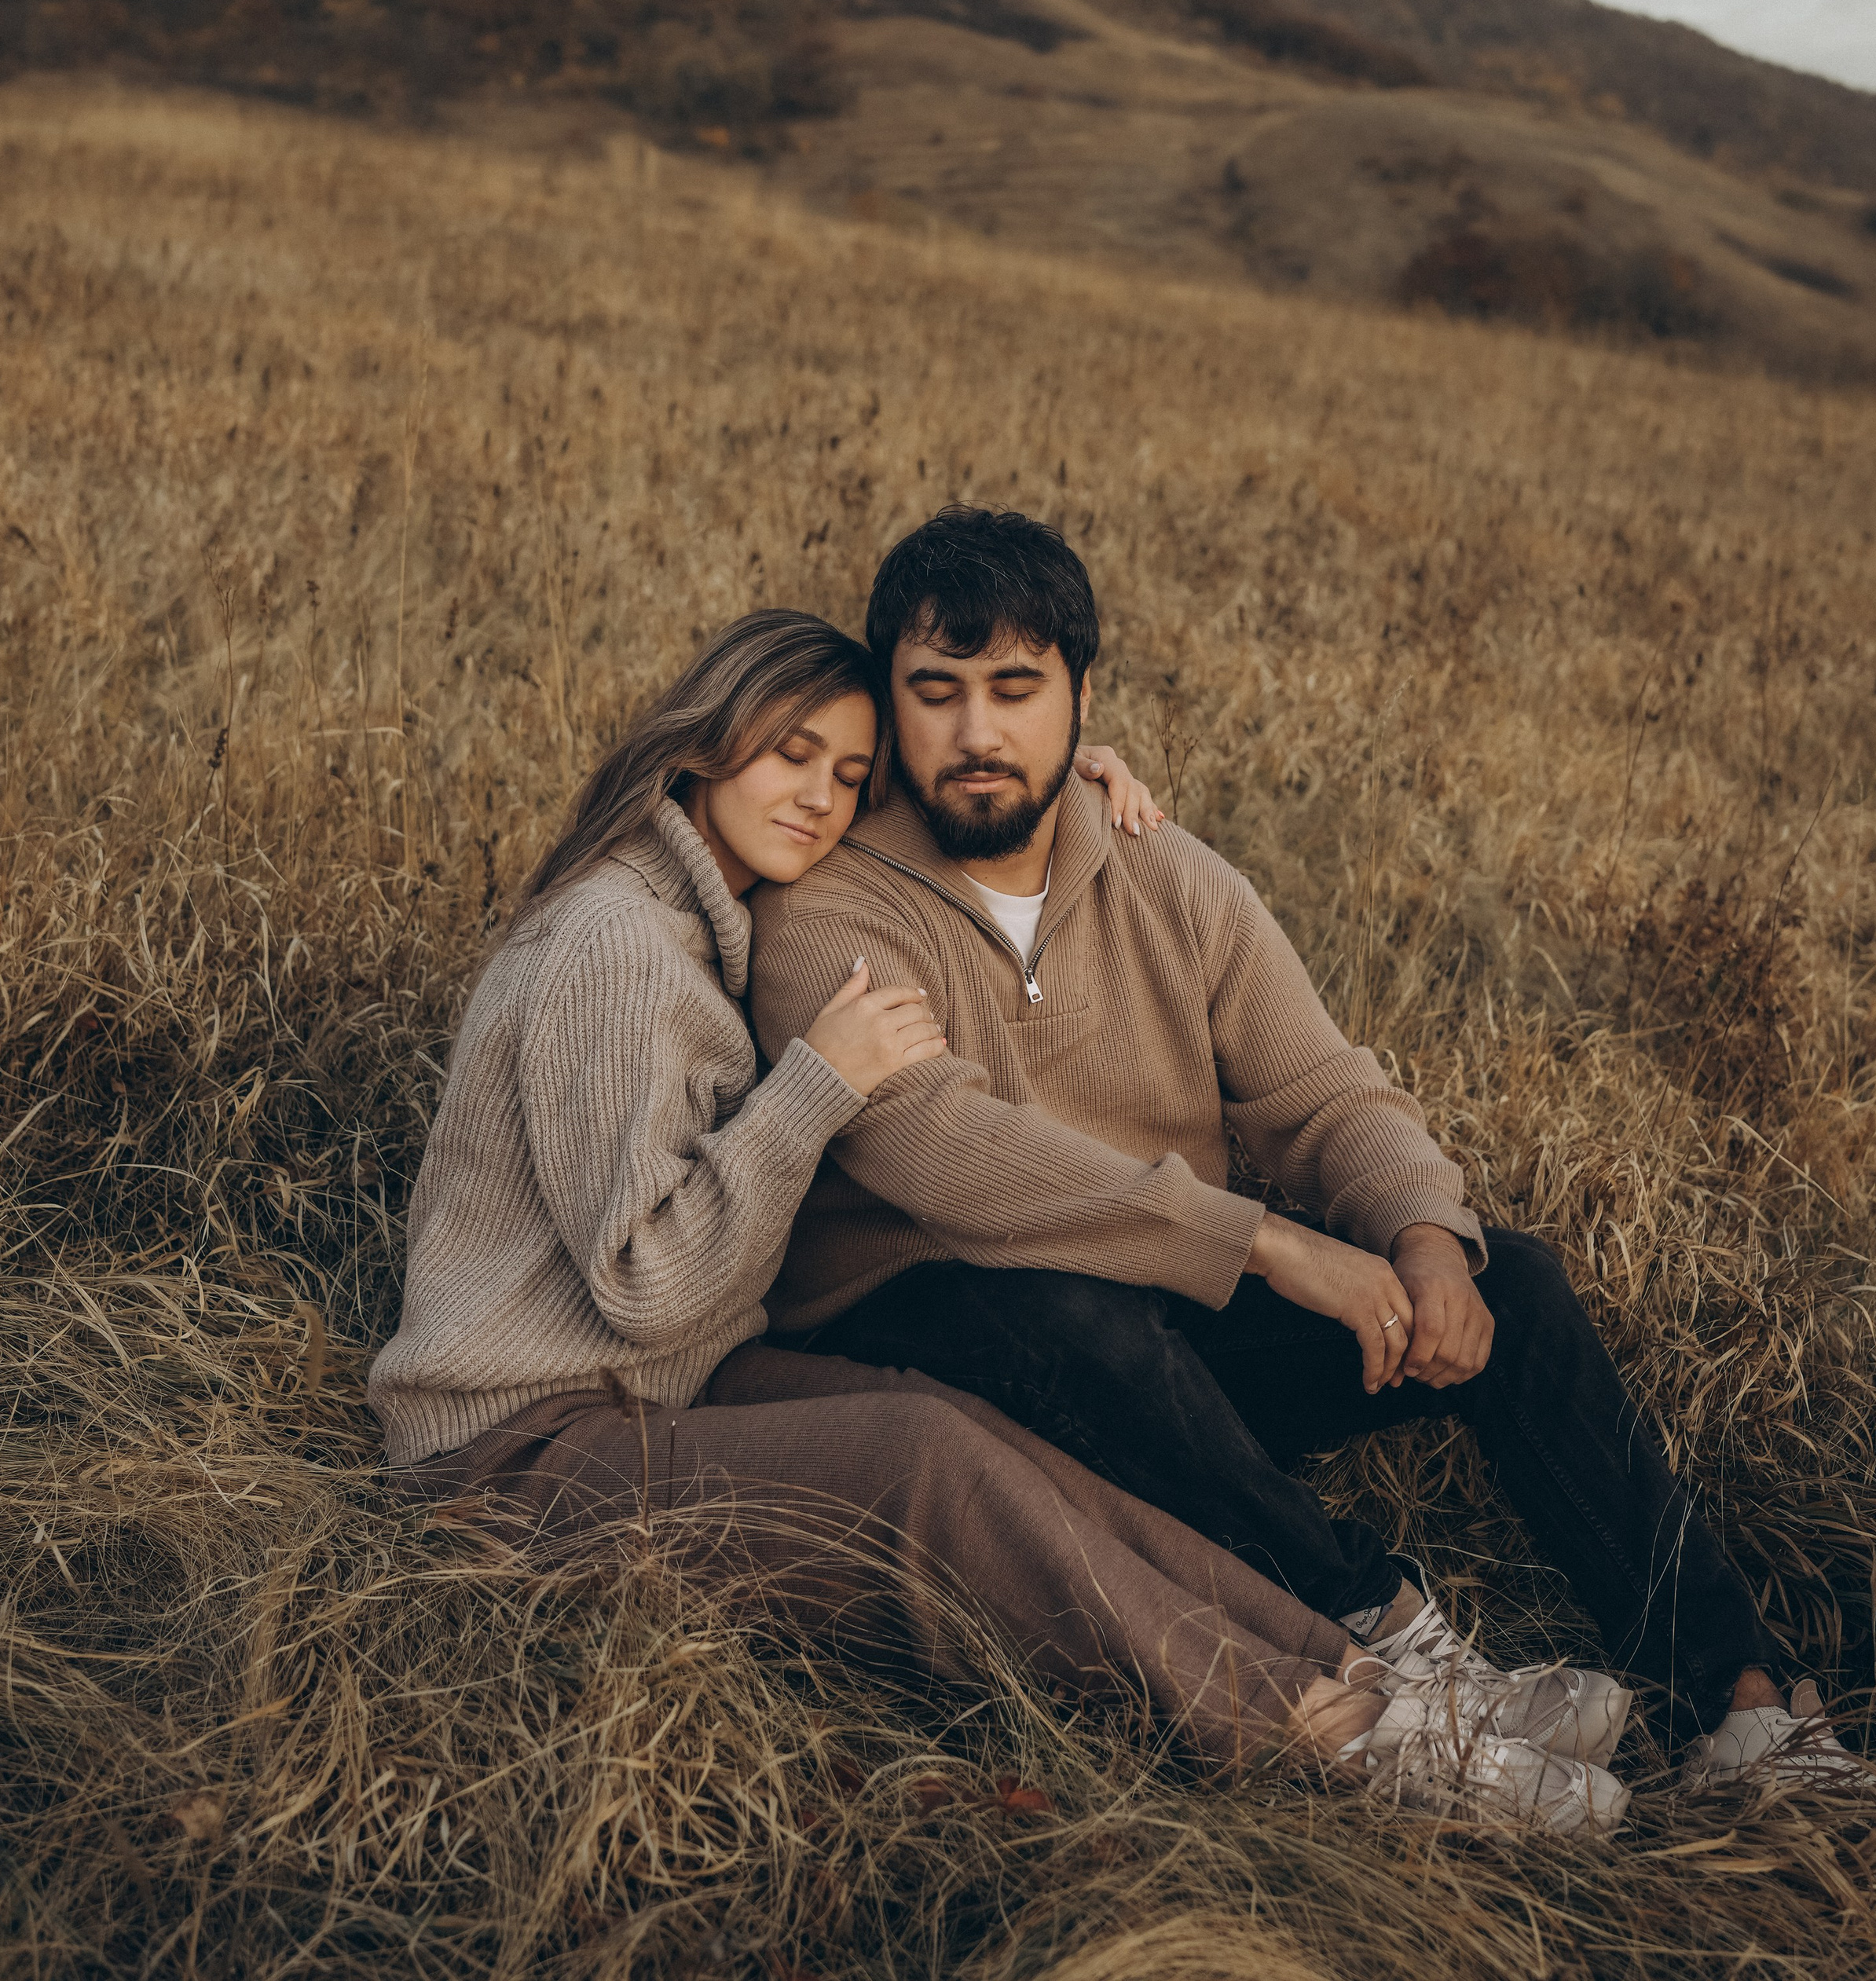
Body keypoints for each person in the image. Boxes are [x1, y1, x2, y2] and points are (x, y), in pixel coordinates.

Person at [368, 609, 1633, 1833]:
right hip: (512, 1456)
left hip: (661, 1389)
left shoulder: (707, 921)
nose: (819, 797)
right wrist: (817, 1086)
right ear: (705, 743)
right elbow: (647, 1282)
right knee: (921, 1460)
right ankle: (1326, 1733)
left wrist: (1065, 784)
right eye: (790, 754)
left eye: (851, 774)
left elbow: (957, 792)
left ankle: (1384, 1681)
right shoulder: (615, 943)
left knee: (997, 1440)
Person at [746, 514, 1872, 1796]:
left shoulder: (1166, 874)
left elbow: (1323, 1088)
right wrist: (1270, 1246)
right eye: (935, 691)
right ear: (888, 700)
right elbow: (950, 1150)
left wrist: (1421, 1237)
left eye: (1015, 688)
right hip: (947, 1342)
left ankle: (1739, 1702)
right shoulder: (824, 906)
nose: (976, 732)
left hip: (1165, 1329)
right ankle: (1381, 1631)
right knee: (1062, 1309)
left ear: (1082, 699)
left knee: (1513, 1285)